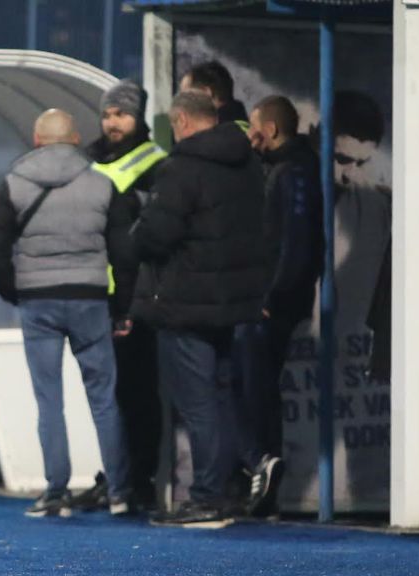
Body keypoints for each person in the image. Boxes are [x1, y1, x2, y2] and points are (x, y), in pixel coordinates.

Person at [0, 108, 133, 518]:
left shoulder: (15, 184)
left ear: (37, 140)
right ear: (76, 139)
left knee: (49, 400)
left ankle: (56, 492)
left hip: (38, 301)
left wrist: (16, 292)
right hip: (91, 300)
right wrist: (121, 306)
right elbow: (125, 253)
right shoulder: (102, 185)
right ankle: (120, 492)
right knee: (104, 398)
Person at [131, 92, 270, 525]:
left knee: (198, 403)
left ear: (182, 122)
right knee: (221, 395)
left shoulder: (181, 167)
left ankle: (208, 495)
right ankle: (225, 489)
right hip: (231, 301)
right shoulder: (248, 163)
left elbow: (156, 235)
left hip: (185, 301)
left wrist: (136, 233)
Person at [237, 95, 323, 516]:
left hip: (270, 303)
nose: (250, 136)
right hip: (270, 299)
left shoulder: (293, 172)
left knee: (251, 386)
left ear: (269, 130)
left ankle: (261, 463)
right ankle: (262, 472)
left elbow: (297, 245)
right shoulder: (284, 168)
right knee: (257, 387)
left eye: (255, 127)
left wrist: (273, 298)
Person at [85, 80, 168, 512]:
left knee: (137, 394)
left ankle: (141, 479)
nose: (112, 122)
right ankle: (115, 475)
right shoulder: (90, 161)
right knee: (107, 395)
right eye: (107, 114)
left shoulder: (156, 164)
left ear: (138, 117)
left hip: (135, 296)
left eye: (121, 114)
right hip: (95, 292)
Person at [180, 61, 249, 129]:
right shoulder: (247, 129)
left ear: (205, 93)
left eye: (186, 96)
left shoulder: (216, 133)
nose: (182, 105)